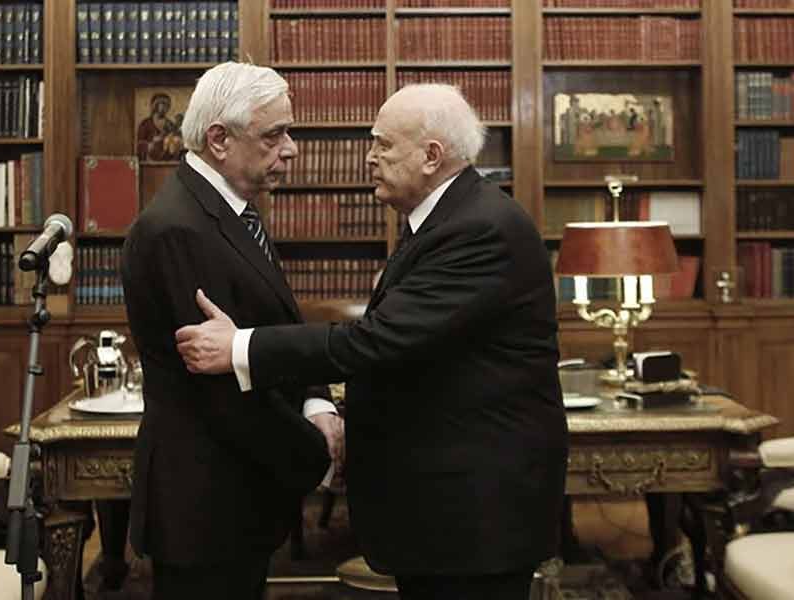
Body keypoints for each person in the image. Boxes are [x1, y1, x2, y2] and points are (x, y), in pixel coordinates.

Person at [174, 83, 570, 600]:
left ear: (431, 156)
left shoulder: (481, 228)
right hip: (449, 511)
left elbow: (378, 341)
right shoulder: (444, 219)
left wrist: (240, 349)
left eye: (382, 145)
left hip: (476, 513)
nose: (368, 158)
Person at [121, 62, 343, 600]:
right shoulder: (178, 228)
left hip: (236, 496)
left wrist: (315, 401)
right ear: (218, 139)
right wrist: (314, 452)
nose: (290, 148)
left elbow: (272, 330)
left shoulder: (231, 209)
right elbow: (217, 387)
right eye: (274, 135)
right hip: (204, 503)